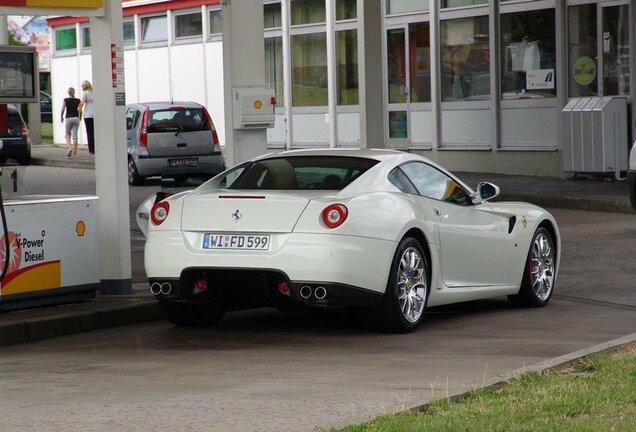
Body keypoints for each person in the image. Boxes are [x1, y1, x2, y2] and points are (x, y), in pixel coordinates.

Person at [60, 87, 81, 158]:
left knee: (67, 134)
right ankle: (74, 153)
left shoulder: (66, 100)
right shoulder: (78, 100)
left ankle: (69, 148)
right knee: (75, 136)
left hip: (68, 118)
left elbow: (62, 109)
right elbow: (80, 110)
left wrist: (61, 117)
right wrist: (80, 117)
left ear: (68, 92)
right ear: (74, 92)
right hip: (76, 118)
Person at [79, 80, 95, 154]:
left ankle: (91, 149)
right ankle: (95, 147)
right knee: (95, 131)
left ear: (85, 86)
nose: (82, 87)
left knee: (89, 132)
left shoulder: (85, 93)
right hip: (95, 114)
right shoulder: (94, 92)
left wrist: (78, 109)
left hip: (88, 115)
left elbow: (82, 103)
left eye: (82, 85)